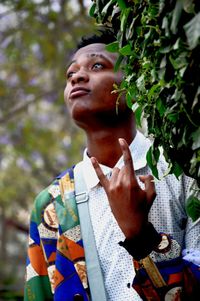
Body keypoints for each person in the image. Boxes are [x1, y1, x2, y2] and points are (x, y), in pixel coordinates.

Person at [24, 29, 200, 301]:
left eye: (97, 66)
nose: (77, 77)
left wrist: (141, 236)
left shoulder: (183, 173)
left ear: (134, 83)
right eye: (71, 74)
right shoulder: (50, 206)